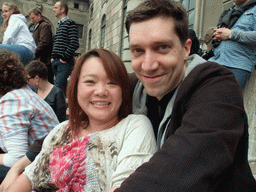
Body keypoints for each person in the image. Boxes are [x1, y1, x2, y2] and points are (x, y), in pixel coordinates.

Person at [115, 0, 256, 191]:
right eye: (138, 51)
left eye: (162, 47)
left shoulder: (219, 86)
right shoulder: (131, 86)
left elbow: (185, 161)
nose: (148, 65)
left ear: (186, 49)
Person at [6, 49, 157, 192]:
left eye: (112, 83)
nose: (101, 92)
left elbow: (126, 186)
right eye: (90, 82)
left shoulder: (134, 126)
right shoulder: (62, 130)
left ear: (123, 90)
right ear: (76, 88)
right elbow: (30, 176)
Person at [0, 49, 59, 184]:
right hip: (46, 162)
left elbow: (16, 159)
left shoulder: (12, 101)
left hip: (45, 171)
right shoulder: (22, 93)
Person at [208, 0, 256, 89]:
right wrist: (218, 35)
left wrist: (231, 35)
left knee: (224, 101)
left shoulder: (254, 9)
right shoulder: (229, 11)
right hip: (215, 61)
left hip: (236, 66)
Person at [51, 1, 79, 94]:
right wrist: (53, 57)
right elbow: (57, 43)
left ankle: (56, 109)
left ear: (62, 10)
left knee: (57, 89)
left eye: (55, 7)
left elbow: (74, 43)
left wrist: (64, 58)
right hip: (56, 62)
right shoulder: (60, 26)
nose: (53, 9)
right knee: (60, 90)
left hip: (63, 62)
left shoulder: (70, 23)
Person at [28, 8, 54, 84]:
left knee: (46, 84)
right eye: (31, 18)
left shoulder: (45, 26)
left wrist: (34, 53)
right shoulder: (39, 27)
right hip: (39, 61)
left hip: (44, 61)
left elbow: (44, 42)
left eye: (33, 18)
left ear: (39, 15)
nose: (32, 20)